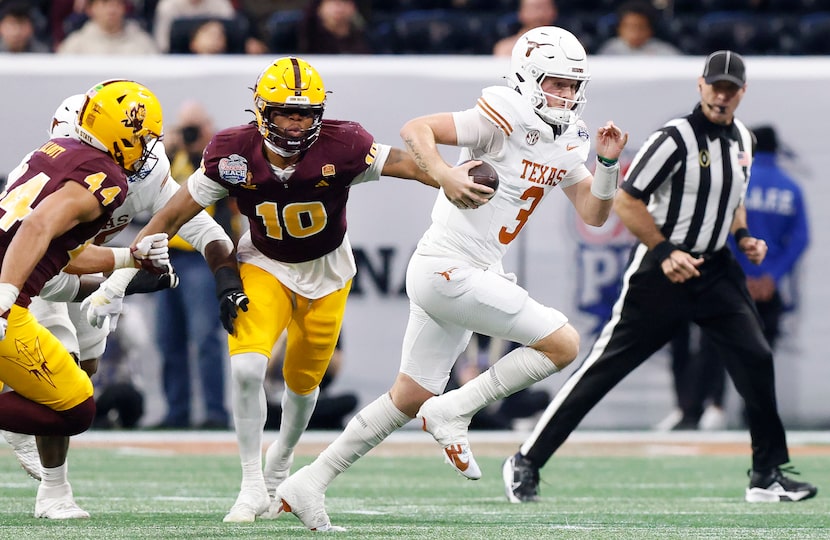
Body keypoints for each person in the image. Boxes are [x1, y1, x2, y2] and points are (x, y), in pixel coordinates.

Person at [275, 26, 628, 531]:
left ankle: (309, 482)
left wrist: (609, 164)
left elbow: (594, 213)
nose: (566, 95)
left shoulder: (569, 136)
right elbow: (416, 129)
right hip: (448, 265)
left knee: (409, 395)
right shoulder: (505, 112)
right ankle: (454, 412)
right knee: (564, 344)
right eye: (556, 83)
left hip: (468, 268)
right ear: (528, 78)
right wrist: (445, 174)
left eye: (573, 86)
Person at [128, 56, 440, 523]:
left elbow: (406, 165)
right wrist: (146, 235)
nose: (295, 125)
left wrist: (451, 176)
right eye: (285, 113)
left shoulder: (344, 142)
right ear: (262, 111)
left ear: (319, 115)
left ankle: (281, 462)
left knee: (302, 385)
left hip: (327, 271)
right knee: (249, 368)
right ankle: (251, 484)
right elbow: (185, 201)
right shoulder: (233, 151)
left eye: (304, 114)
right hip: (264, 262)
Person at [502, 50, 818, 505]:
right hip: (662, 273)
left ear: (742, 93)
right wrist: (665, 250)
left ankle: (766, 474)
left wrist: (744, 235)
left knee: (756, 357)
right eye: (716, 85)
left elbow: (733, 199)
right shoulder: (674, 138)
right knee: (605, 368)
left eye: (731, 88)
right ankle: (526, 460)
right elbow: (629, 201)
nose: (722, 95)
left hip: (716, 270)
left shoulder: (742, 140)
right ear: (701, 85)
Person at [0, 89, 234, 514]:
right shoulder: (86, 171)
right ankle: (54, 489)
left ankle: (25, 406)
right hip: (30, 279)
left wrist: (123, 272)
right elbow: (38, 251)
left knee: (83, 374)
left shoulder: (137, 169)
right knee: (62, 381)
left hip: (66, 266)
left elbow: (197, 225)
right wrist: (110, 284)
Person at [0, 79, 168, 519]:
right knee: (73, 408)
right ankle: (54, 494)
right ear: (120, 132)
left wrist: (127, 259)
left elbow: (63, 254)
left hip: (12, 288)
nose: (147, 148)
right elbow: (36, 228)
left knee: (71, 391)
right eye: (144, 137)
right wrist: (3, 297)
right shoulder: (106, 177)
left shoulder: (54, 154)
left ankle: (54, 494)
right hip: (6, 299)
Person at [661, 124, 811, 432]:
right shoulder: (791, 187)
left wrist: (743, 274)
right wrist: (770, 276)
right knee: (760, 353)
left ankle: (704, 409)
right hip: (769, 288)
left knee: (713, 346)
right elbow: (799, 240)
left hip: (729, 280)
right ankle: (754, 417)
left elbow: (719, 231)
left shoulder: (738, 182)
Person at [151, 100, 233, 430]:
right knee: (167, 338)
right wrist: (167, 151)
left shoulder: (215, 161)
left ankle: (215, 411)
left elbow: (224, 189)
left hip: (202, 257)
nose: (189, 134)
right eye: (186, 127)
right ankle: (176, 411)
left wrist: (202, 148)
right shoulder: (170, 161)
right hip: (168, 257)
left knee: (205, 338)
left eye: (194, 128)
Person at [57, 0, 158, 55]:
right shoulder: (75, 45)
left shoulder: (143, 43)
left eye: (117, 4)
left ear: (124, 8)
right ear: (90, 9)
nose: (112, 10)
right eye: (105, 3)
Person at [596, 0, 680, 56]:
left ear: (650, 30)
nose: (635, 32)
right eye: (630, 27)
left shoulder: (664, 51)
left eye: (641, 27)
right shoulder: (609, 50)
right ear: (619, 29)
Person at [297, 0, 371, 54]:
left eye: (344, 1)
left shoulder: (368, 38)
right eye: (332, 1)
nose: (339, 7)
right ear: (319, 8)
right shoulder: (304, 37)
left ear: (353, 7)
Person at [492, 0, 557, 57]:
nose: (540, 14)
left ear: (554, 12)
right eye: (535, 8)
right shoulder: (505, 49)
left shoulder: (565, 46)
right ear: (521, 13)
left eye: (545, 8)